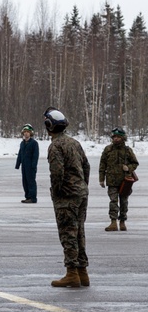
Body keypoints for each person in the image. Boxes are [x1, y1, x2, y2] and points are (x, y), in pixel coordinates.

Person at [44, 107, 90, 288]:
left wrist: (57, 192)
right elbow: (86, 166)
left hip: (67, 196)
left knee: (68, 233)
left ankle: (72, 273)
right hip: (81, 194)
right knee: (79, 232)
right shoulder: (74, 143)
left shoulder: (55, 146)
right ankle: (82, 273)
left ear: (49, 126)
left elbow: (57, 173)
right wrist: (82, 185)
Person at [99, 127, 139, 232]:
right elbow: (102, 165)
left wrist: (128, 168)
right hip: (112, 181)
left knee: (124, 202)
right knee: (113, 201)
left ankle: (122, 222)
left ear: (122, 138)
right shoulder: (108, 149)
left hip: (125, 181)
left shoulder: (127, 150)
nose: (116, 139)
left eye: (118, 137)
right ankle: (113, 222)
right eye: (114, 137)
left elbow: (135, 163)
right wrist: (101, 179)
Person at [15, 124, 39, 203]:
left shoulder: (34, 143)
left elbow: (35, 155)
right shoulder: (22, 143)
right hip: (24, 166)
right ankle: (28, 197)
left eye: (28, 132)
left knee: (31, 182)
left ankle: (33, 198)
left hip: (31, 166)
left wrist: (33, 166)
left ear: (31, 133)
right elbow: (20, 154)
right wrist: (18, 164)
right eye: (25, 132)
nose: (26, 133)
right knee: (25, 182)